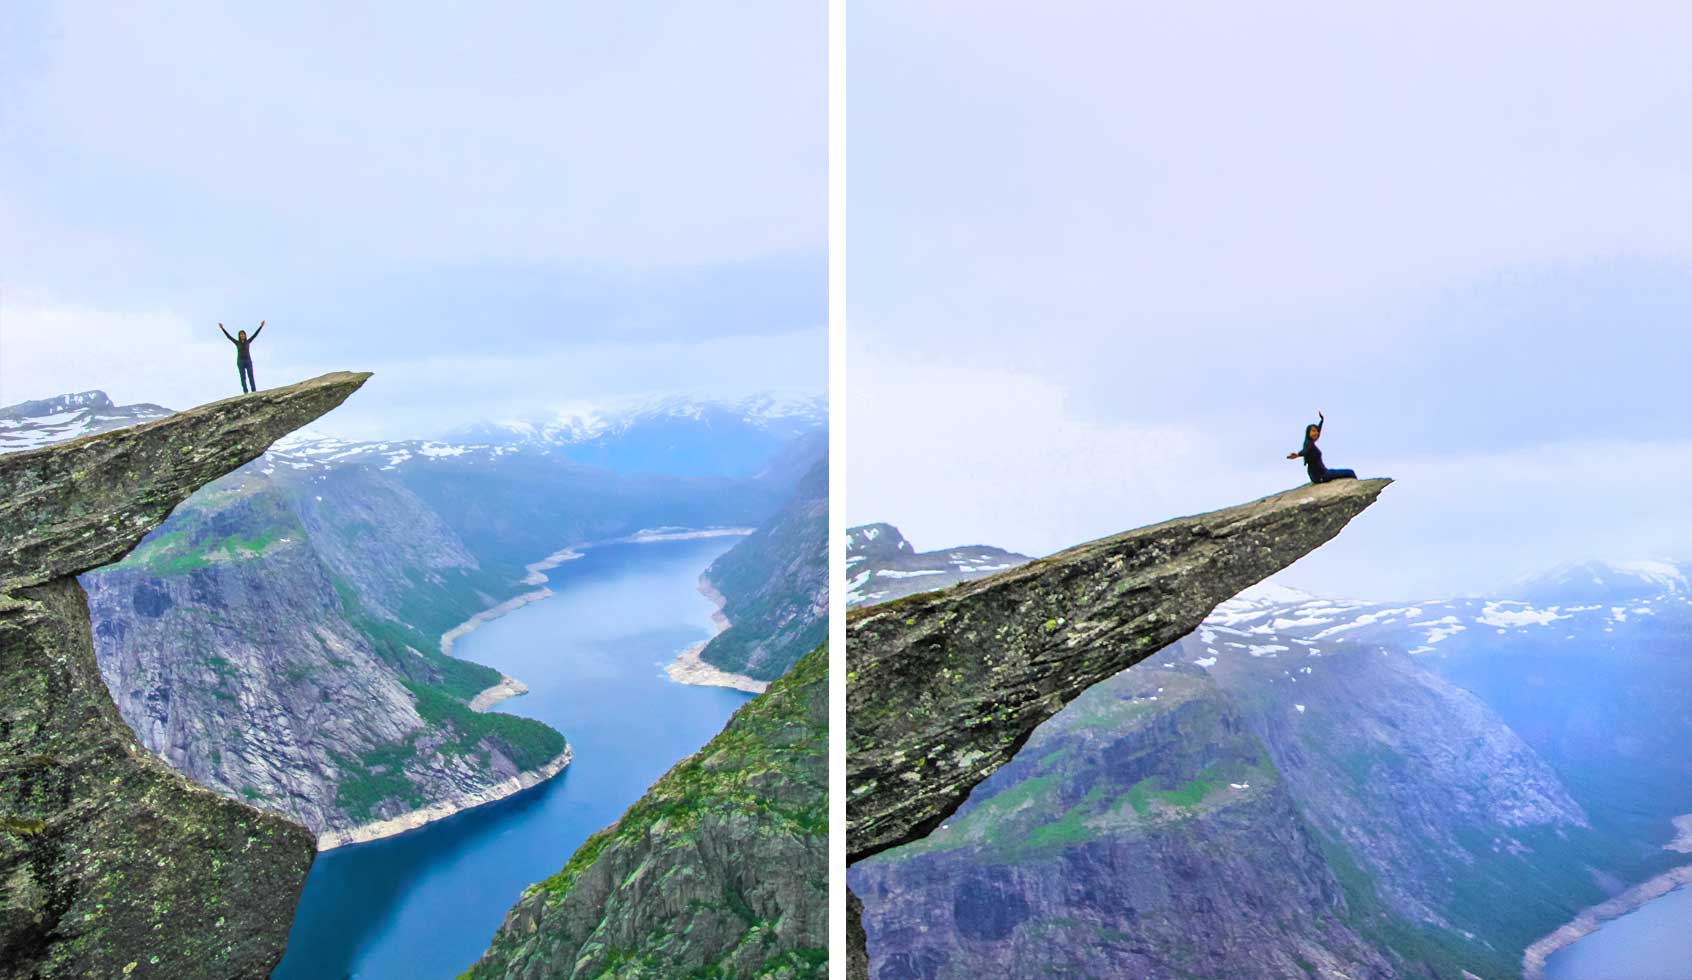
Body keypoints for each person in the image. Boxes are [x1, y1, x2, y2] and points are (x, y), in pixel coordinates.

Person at [1287, 411, 1357, 484]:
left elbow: (1318, 432)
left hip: (1321, 474)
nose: (1316, 433)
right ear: (1308, 433)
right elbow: (1306, 451)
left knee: (1341, 472)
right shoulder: (1309, 444)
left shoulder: (1309, 442)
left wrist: (1321, 421)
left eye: (1317, 431)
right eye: (1313, 431)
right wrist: (1298, 454)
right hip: (1321, 476)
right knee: (1350, 472)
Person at [219, 320, 264, 393]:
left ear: (245, 335)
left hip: (248, 361)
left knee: (251, 376)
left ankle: (254, 390)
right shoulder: (237, 342)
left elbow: (255, 335)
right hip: (240, 361)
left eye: (243, 334)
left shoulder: (248, 341)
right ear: (239, 336)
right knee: (243, 377)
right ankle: (245, 391)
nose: (242, 335)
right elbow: (228, 337)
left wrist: (261, 326)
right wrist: (222, 328)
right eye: (241, 334)